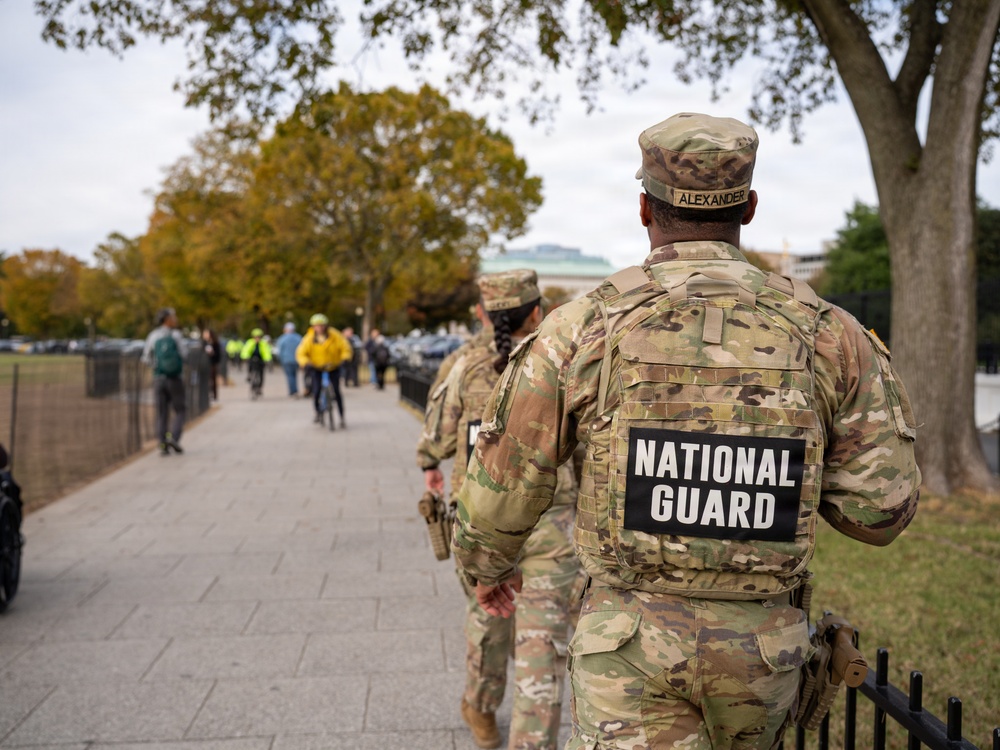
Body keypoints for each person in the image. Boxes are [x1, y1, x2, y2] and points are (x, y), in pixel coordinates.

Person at [453, 112, 922, 750]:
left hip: (626, 652)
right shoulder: (829, 332)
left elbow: (498, 495)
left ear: (645, 208)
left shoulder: (579, 327)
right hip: (763, 656)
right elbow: (881, 512)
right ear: (748, 207)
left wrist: (487, 568)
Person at [417, 270, 584, 750]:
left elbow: (435, 437)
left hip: (479, 521)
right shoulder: (565, 361)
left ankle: (481, 710)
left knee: (487, 622)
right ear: (538, 310)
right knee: (542, 648)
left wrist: (431, 466)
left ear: (482, 314)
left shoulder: (460, 366)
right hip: (551, 520)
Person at [141, 307, 187, 456]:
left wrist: (158, 367)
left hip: (159, 378)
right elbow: (184, 354)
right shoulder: (176, 335)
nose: (176, 319)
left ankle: (162, 442)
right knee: (180, 409)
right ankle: (174, 437)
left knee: (162, 412)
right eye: (173, 317)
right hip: (175, 379)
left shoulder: (153, 336)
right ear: (167, 319)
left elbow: (146, 357)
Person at [296, 313, 353, 428]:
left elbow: (345, 347)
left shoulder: (335, 335)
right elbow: (301, 353)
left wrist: (345, 358)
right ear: (313, 327)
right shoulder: (309, 338)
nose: (320, 328)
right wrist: (305, 363)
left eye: (322, 326)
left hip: (333, 366)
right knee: (316, 391)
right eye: (317, 326)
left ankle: (342, 417)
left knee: (337, 392)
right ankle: (317, 412)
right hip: (316, 367)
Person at [241, 328, 272, 396]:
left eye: (258, 337)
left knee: (261, 374)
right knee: (250, 367)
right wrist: (245, 357)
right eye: (256, 337)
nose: (257, 338)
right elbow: (246, 350)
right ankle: (249, 375)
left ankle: (259, 387)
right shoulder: (250, 342)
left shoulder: (263, 343)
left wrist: (267, 359)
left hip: (260, 359)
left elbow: (266, 352)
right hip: (252, 358)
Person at [275, 322, 303, 397]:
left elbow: (279, 351)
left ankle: (293, 391)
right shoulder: (298, 337)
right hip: (296, 360)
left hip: (286, 360)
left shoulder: (282, 338)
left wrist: (279, 360)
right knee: (294, 375)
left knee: (290, 376)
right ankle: (295, 390)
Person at [201, 328, 221, 401]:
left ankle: (214, 395)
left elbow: (218, 354)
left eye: (206, 333)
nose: (205, 335)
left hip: (212, 363)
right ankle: (206, 394)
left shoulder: (215, 343)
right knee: (205, 380)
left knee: (212, 379)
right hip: (204, 363)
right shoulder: (203, 343)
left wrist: (213, 354)